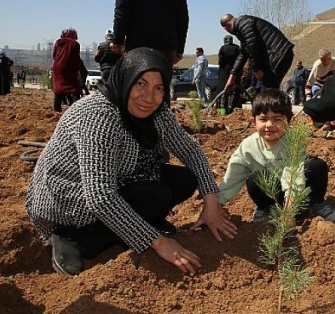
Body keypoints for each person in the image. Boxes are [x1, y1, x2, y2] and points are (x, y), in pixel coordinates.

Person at [26, 48, 237, 276]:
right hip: (67, 201)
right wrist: (158, 243)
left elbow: (190, 149)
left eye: (159, 88)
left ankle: (137, 225)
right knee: (154, 197)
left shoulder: (156, 111)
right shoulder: (98, 115)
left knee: (183, 180)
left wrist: (212, 201)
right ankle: (74, 239)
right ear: (125, 78)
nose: (149, 97)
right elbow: (100, 196)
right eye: (140, 84)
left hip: (117, 177)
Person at [192, 88, 335, 227]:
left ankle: (316, 204)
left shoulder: (293, 143)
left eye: (277, 119)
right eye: (263, 119)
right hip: (272, 191)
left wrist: (289, 211)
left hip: (296, 190)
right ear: (253, 121)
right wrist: (216, 206)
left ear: (289, 121)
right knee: (254, 179)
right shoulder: (248, 146)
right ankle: (265, 208)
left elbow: (293, 176)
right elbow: (233, 177)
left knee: (317, 166)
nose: (269, 125)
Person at [111, 0, 188, 75]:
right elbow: (182, 16)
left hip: (139, 43)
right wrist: (180, 49)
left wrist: (117, 40)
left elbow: (122, 5)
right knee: (160, 88)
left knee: (137, 87)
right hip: (167, 47)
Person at [219, 13, 294, 91]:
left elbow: (252, 47)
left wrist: (257, 69)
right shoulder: (242, 26)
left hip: (278, 55)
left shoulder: (243, 24)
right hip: (278, 54)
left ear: (226, 27)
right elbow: (243, 54)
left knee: (268, 91)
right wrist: (232, 78)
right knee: (269, 91)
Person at [52, 27, 82, 112]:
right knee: (75, 90)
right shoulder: (75, 44)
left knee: (58, 90)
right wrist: (77, 71)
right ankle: (76, 110)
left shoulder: (57, 43)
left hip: (57, 68)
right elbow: (76, 59)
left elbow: (54, 56)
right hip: (69, 68)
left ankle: (57, 110)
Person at [217, 35, 240, 113]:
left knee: (223, 94)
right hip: (235, 73)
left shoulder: (223, 48)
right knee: (234, 94)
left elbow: (220, 61)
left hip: (224, 73)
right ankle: (233, 112)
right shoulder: (237, 48)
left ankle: (223, 112)